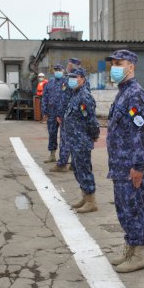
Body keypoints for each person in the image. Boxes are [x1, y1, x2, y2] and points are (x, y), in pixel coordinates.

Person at [105, 49, 144, 273]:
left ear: (131, 66)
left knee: (133, 210)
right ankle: (130, 249)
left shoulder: (135, 94)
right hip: (120, 165)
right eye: (112, 63)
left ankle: (139, 255)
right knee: (124, 211)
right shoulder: (123, 92)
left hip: (132, 167)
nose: (114, 67)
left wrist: (138, 166)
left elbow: (141, 134)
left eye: (119, 63)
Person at [63, 67, 100, 213]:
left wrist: (94, 135)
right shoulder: (75, 94)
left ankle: (91, 201)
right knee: (78, 170)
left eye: (75, 77)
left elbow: (91, 120)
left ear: (83, 79)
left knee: (84, 170)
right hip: (73, 140)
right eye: (70, 77)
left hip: (81, 141)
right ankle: (85, 196)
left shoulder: (84, 96)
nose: (72, 79)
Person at [50, 59, 81, 172]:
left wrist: (59, 114)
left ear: (73, 66)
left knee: (65, 139)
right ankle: (74, 163)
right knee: (75, 139)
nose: (67, 67)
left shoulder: (69, 79)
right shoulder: (82, 79)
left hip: (67, 115)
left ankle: (62, 164)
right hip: (75, 114)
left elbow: (63, 99)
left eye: (69, 65)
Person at [42, 64, 64, 163]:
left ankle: (64, 157)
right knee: (52, 133)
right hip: (52, 113)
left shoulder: (67, 82)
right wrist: (45, 111)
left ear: (63, 71)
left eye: (59, 69)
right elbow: (45, 97)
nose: (58, 71)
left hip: (63, 114)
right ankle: (52, 155)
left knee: (65, 136)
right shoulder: (49, 83)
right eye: (56, 70)